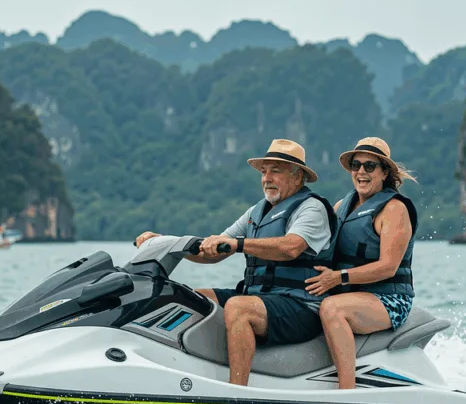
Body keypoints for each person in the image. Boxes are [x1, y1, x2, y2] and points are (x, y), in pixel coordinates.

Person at [135, 139, 336, 386]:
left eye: (276, 171)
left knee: (239, 307)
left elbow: (291, 247)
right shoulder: (257, 212)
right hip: (260, 297)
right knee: (191, 298)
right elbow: (216, 250)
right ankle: (189, 376)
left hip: (301, 305)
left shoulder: (312, 209)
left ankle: (237, 391)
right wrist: (167, 242)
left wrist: (239, 244)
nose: (267, 178)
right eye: (264, 172)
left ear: (298, 177)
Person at [304, 137, 417, 389]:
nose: (361, 172)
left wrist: (338, 277)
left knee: (333, 309)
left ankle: (347, 392)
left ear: (384, 172)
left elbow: (388, 266)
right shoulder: (341, 207)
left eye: (370, 166)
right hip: (352, 294)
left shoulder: (394, 209)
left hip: (389, 299)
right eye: (356, 165)